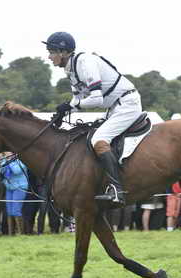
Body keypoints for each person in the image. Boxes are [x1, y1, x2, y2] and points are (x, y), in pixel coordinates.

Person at [43, 31, 142, 206]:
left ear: (63, 52)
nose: (49, 57)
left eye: (51, 52)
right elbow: (78, 98)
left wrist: (72, 106)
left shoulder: (84, 62)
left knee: (99, 139)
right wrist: (63, 111)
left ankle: (117, 189)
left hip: (127, 104)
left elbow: (96, 99)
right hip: (115, 107)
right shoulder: (71, 69)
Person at [0, 153, 28, 235]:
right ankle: (11, 233)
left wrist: (8, 161)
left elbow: (16, 171)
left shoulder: (21, 161)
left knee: (16, 210)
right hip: (9, 187)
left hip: (20, 187)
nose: (6, 154)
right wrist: (3, 162)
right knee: (9, 211)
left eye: (8, 153)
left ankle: (20, 233)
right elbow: (1, 171)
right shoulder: (5, 161)